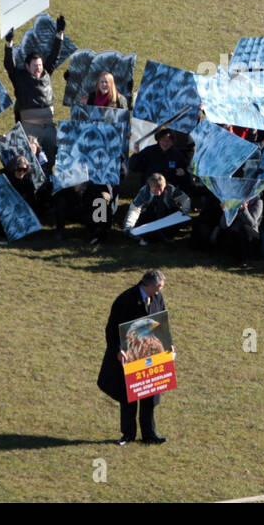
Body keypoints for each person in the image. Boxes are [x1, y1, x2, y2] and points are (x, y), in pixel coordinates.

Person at [97, 270, 171, 446]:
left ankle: (149, 434)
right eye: (158, 287)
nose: (160, 291)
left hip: (150, 353)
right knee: (129, 397)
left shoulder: (157, 297)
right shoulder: (125, 299)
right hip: (129, 354)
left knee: (149, 394)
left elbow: (161, 321)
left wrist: (169, 344)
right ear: (149, 285)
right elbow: (111, 329)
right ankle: (128, 434)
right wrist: (117, 350)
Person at [3, 16, 64, 132]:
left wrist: (60, 34)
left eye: (40, 65)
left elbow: (55, 55)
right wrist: (9, 43)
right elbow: (9, 65)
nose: (38, 68)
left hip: (47, 124)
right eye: (35, 66)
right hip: (28, 125)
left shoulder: (46, 73)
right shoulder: (19, 78)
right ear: (27, 66)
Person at [123, 173, 192, 245]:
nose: (159, 193)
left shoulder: (171, 189)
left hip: (167, 215)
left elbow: (185, 199)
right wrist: (129, 226)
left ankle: (168, 236)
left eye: (161, 189)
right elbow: (134, 210)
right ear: (150, 186)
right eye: (155, 190)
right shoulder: (144, 191)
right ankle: (147, 238)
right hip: (149, 215)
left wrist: (185, 211)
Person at [127, 128, 191, 193]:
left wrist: (183, 173)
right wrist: (137, 154)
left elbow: (187, 175)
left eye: (168, 141)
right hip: (150, 188)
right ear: (158, 140)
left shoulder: (178, 155)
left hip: (168, 190)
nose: (165, 143)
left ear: (172, 142)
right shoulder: (149, 151)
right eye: (163, 140)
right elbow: (133, 167)